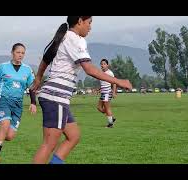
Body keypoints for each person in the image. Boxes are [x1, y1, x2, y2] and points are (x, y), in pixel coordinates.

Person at [30, 16, 132, 164]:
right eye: (89, 23)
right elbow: (89, 69)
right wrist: (118, 81)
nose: (90, 27)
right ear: (79, 21)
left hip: (57, 97)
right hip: (56, 97)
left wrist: (39, 77)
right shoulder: (76, 39)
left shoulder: (64, 36)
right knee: (49, 144)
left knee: (73, 136)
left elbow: (46, 58)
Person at [0, 43, 37, 164]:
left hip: (17, 104)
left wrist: (33, 102)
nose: (20, 55)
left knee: (10, 136)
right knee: (4, 125)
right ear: (12, 52)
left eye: (23, 53)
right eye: (18, 52)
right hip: (3, 100)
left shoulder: (27, 69)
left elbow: (32, 87)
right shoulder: (3, 67)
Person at [97, 59, 117, 128]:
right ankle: (112, 118)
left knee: (107, 108)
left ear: (107, 65)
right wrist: (100, 89)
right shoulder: (100, 73)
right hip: (103, 93)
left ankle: (110, 124)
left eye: (104, 64)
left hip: (107, 93)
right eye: (101, 64)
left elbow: (114, 83)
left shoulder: (110, 73)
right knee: (99, 108)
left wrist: (114, 92)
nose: (102, 65)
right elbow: (103, 83)